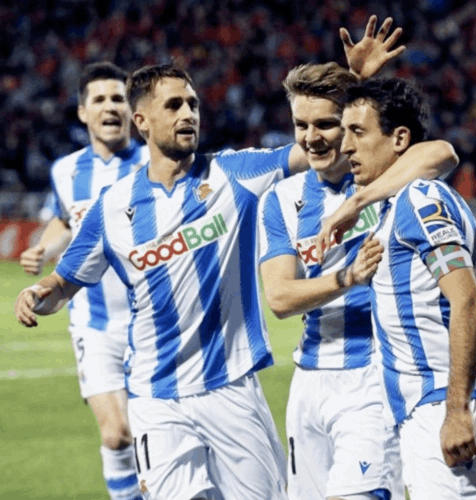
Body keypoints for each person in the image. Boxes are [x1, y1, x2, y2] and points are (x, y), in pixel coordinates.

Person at [14, 62, 319, 499]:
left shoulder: (234, 174)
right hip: (155, 398)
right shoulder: (112, 206)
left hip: (231, 387)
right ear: (141, 121)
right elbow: (64, 283)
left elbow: (312, 150)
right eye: (174, 105)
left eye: (192, 104)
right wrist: (38, 294)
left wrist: (352, 93)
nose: (188, 114)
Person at [258, 44, 459, 499]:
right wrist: (346, 278)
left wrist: (357, 202)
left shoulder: (383, 179)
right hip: (308, 381)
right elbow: (280, 298)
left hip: (373, 373)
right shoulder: (281, 200)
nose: (312, 138)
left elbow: (442, 153)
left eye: (325, 124)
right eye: (301, 126)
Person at [335, 78, 476, 500]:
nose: (345, 146)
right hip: (437, 401)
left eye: (357, 132)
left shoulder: (419, 198)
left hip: (440, 400)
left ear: (400, 139)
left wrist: (455, 409)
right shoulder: (396, 204)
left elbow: (467, 301)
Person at [18, 62, 148, 500]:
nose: (111, 107)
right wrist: (45, 249)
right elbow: (63, 219)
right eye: (100, 99)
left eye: (118, 98)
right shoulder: (66, 170)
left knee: (152, 438)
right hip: (94, 324)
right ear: (82, 112)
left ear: (132, 109)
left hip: (152, 322)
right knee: (116, 434)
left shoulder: (154, 161)